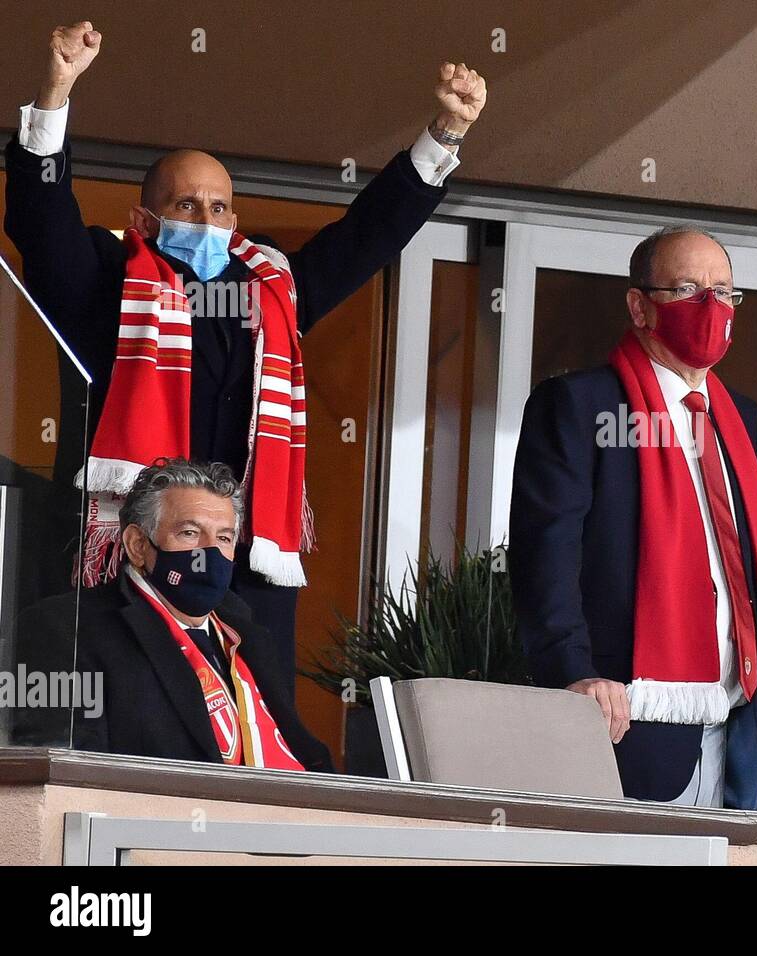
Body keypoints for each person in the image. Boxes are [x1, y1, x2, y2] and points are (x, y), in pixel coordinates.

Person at [3, 22, 487, 698]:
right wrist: (55, 92)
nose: (207, 218)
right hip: (132, 554)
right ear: (145, 220)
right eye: (186, 205)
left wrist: (444, 134)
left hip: (247, 567)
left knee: (253, 729)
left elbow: (363, 238)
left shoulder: (274, 290)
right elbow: (40, 219)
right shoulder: (105, 279)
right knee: (134, 727)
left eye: (220, 206)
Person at [509, 225, 757, 809]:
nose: (710, 307)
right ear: (639, 306)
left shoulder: (740, 418)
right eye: (686, 289)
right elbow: (546, 559)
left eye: (723, 292)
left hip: (738, 730)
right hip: (627, 723)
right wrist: (570, 677)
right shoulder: (581, 406)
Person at [15, 459, 332, 771]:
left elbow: (303, 751)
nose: (209, 553)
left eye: (224, 538)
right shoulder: (63, 629)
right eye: (190, 533)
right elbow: (63, 774)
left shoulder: (244, 633)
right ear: (138, 544)